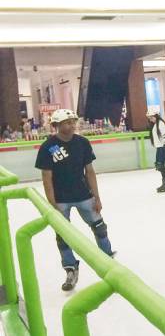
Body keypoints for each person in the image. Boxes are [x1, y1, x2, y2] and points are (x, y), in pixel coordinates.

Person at [34, 109, 116, 291]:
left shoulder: (83, 143)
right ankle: (70, 269)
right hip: (61, 199)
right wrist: (52, 202)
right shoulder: (48, 147)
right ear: (56, 126)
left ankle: (109, 262)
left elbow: (90, 171)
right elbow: (46, 177)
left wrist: (97, 196)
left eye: (73, 122)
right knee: (62, 235)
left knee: (100, 228)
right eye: (67, 123)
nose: (72, 126)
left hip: (84, 195)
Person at [147, 110, 165, 193]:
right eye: (149, 118)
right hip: (161, 147)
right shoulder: (155, 124)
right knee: (159, 165)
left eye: (151, 117)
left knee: (160, 165)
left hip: (164, 146)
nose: (150, 119)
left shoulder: (160, 123)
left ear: (156, 116)